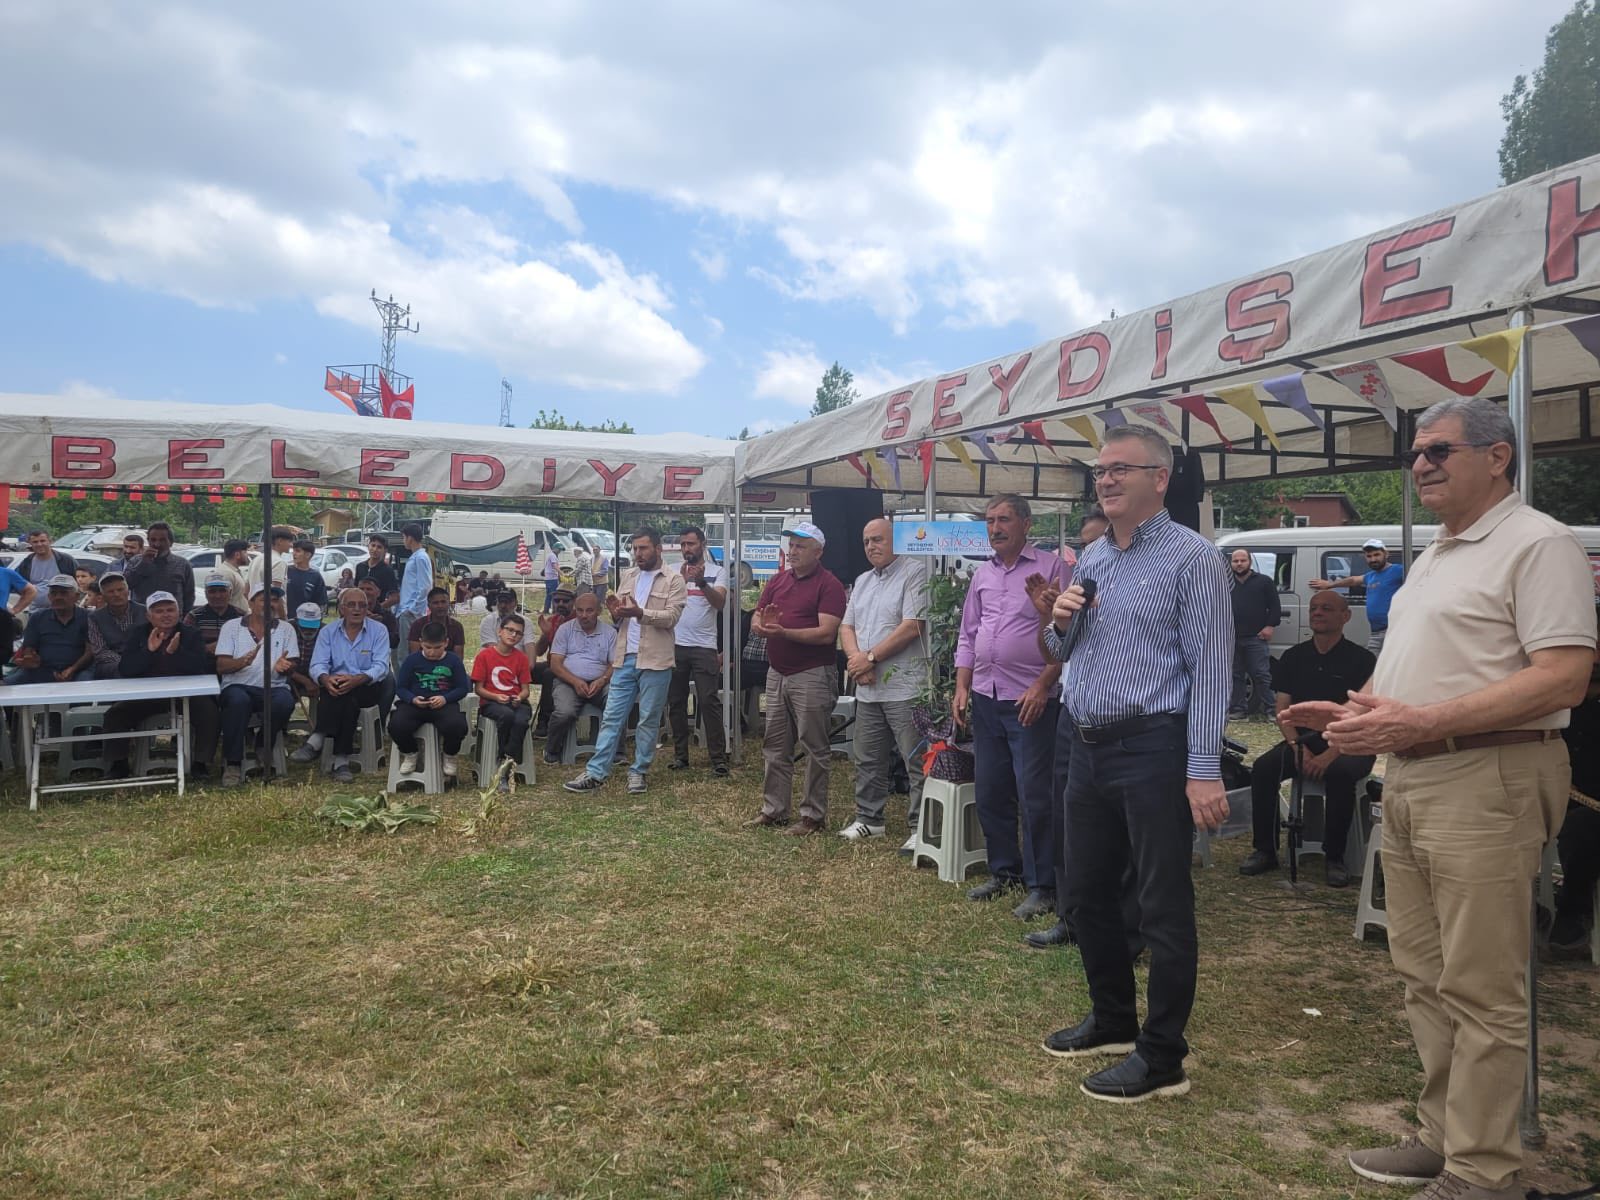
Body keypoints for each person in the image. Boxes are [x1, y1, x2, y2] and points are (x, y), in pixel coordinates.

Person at [1287, 397, 1595, 1198]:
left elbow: (1563, 675)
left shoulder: (1539, 543)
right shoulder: (1433, 556)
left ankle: (1484, 1172)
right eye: (1416, 452)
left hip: (1488, 776)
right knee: (1423, 973)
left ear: (1498, 458)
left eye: (1439, 450)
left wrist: (1421, 720)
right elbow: (1418, 673)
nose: (1421, 464)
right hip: (1416, 775)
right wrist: (1352, 711)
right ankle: (1445, 1138)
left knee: (1483, 986)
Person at [1041, 425, 1231, 1104]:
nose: (1107, 480)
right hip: (1084, 740)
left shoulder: (1193, 559)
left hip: (1153, 744)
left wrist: (1202, 767)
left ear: (1161, 476)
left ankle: (1162, 1056)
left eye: (1121, 468)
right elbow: (1061, 649)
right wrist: (1058, 622)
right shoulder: (1093, 557)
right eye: (1100, 470)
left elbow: (1211, 671)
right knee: (1086, 892)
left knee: (1161, 906)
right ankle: (1114, 1019)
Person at [955, 494, 1065, 919]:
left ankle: (1044, 885)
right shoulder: (981, 573)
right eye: (989, 521)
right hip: (986, 693)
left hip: (1030, 700)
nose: (995, 528)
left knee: (1035, 795)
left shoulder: (1052, 568)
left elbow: (1066, 636)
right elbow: (969, 633)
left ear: (1025, 524)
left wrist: (1042, 685)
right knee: (992, 789)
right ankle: (1005, 872)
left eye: (1003, 519)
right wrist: (962, 685)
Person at [1237, 590, 1376, 888]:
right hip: (1302, 741)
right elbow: (1281, 709)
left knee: (1340, 774)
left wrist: (1330, 754)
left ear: (1345, 616)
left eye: (1326, 608)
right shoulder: (1294, 656)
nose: (1318, 613)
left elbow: (1364, 715)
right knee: (1262, 768)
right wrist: (1297, 748)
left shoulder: (1363, 660)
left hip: (1351, 743)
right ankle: (1265, 849)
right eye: (1314, 608)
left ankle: (1335, 857)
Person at [1027, 506, 1106, 948]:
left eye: (1096, 543)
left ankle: (1114, 923)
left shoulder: (1129, 590)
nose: (1087, 553)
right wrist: (1048, 615)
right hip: (1071, 716)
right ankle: (1069, 915)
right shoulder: (1077, 593)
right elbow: (1054, 654)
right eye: (1082, 546)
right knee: (1065, 816)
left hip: (1120, 724)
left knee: (1109, 830)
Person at [563, 528, 686, 795]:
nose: (638, 554)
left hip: (656, 659)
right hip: (625, 657)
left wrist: (640, 612)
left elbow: (671, 618)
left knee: (647, 719)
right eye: (635, 549)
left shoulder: (674, 580)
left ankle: (638, 771)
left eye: (643, 548)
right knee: (612, 717)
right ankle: (596, 772)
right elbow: (621, 619)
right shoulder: (628, 575)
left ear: (658, 548)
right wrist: (617, 612)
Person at [743, 521, 846, 834]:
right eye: (791, 545)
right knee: (775, 744)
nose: (793, 551)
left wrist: (783, 632)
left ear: (819, 551)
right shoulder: (777, 581)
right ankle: (774, 810)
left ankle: (813, 817)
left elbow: (827, 633)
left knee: (814, 746)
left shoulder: (829, 585)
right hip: (778, 672)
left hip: (812, 674)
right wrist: (760, 625)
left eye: (801, 546)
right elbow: (758, 614)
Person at [839, 517, 929, 843]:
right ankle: (869, 819)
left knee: (915, 759)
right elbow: (846, 627)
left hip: (905, 686)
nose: (871, 547)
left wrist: (871, 657)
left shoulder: (915, 572)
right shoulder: (862, 580)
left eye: (878, 539)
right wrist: (857, 661)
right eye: (866, 542)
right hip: (868, 686)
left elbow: (912, 626)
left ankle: (921, 827)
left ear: (896, 540)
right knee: (867, 757)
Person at [102, 591, 219, 780]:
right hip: (147, 695)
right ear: (149, 616)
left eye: (170, 610)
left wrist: (175, 652)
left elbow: (199, 667)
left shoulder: (190, 634)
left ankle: (200, 764)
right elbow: (126, 669)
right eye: (159, 611)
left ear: (179, 613)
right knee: (116, 713)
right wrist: (148, 651)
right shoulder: (138, 633)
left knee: (209, 711)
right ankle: (118, 764)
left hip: (185, 695)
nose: (166, 615)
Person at [295, 588, 392, 784]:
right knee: (345, 698)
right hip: (336, 686)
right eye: (351, 605)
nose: (357, 609)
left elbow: (381, 666)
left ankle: (318, 737)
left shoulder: (379, 631)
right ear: (341, 609)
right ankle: (341, 761)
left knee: (348, 695)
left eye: (362, 605)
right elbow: (318, 664)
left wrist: (358, 679)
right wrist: (324, 678)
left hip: (367, 685)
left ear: (367, 608)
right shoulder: (328, 632)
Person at [215, 583, 299, 787]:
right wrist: (242, 662)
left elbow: (293, 664)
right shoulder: (232, 627)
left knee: (285, 701)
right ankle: (233, 763)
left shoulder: (286, 629)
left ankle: (263, 744)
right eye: (264, 599)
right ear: (251, 602)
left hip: (273, 687)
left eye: (275, 599)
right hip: (238, 685)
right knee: (237, 701)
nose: (271, 604)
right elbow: (221, 665)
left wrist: (285, 667)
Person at [667, 526, 729, 776]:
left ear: (702, 544)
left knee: (708, 701)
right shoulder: (672, 572)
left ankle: (719, 758)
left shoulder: (718, 572)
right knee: (676, 702)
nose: (686, 549)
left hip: (704, 646)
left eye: (691, 544)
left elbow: (720, 603)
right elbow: (664, 603)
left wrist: (702, 583)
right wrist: (682, 582)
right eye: (683, 545)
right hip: (675, 644)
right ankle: (681, 756)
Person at [389, 620, 471, 781]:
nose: (432, 653)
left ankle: (449, 754)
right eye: (428, 648)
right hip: (416, 704)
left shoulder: (453, 661)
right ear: (421, 643)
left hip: (443, 704)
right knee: (396, 725)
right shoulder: (412, 660)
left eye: (437, 648)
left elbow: (462, 688)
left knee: (458, 726)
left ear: (446, 643)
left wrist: (445, 698)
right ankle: (410, 753)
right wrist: (412, 699)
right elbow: (401, 687)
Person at [544, 592, 617, 764]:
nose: (584, 615)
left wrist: (602, 680)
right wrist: (575, 681)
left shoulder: (609, 633)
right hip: (568, 681)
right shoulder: (565, 630)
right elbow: (555, 664)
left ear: (599, 611)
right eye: (580, 611)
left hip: (600, 682)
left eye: (589, 611)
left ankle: (616, 751)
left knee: (615, 705)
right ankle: (552, 749)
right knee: (564, 712)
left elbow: (615, 664)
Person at [1311, 537, 1405, 656]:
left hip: (1393, 630)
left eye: (1377, 555)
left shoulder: (1398, 570)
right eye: (1369, 556)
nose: (1373, 559)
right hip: (1376, 631)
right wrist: (1329, 585)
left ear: (1386, 554)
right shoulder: (1371, 576)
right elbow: (1353, 580)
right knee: (1372, 665)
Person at [473, 613, 534, 780]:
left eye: (518, 633)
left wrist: (519, 698)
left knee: (521, 720)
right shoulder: (484, 656)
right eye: (510, 630)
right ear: (500, 631)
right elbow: (478, 689)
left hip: (516, 701)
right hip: (491, 702)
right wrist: (495, 697)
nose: (513, 635)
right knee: (506, 716)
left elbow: (525, 690)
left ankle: (506, 761)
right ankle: (503, 761)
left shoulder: (521, 658)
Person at [5, 575, 92, 684]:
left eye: (64, 593)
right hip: (43, 670)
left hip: (79, 670)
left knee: (86, 682)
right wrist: (29, 658)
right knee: (6, 685)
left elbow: (90, 651)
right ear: (49, 597)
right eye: (54, 593)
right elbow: (29, 648)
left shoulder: (88, 617)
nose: (58, 597)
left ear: (76, 596)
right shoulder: (38, 617)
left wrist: (72, 669)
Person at [1226, 548, 1280, 719]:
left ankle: (1272, 710)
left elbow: (1275, 607)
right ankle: (1238, 709)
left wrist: (1270, 626)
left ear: (1249, 562)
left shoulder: (1264, 582)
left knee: (1261, 674)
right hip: (1231, 638)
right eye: (1236, 561)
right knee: (1235, 675)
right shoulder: (1225, 583)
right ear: (1231, 563)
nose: (1239, 564)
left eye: (1243, 560)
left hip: (1256, 637)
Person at [529, 587, 575, 736]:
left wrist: (554, 634)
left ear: (573, 602)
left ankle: (545, 722)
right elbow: (540, 650)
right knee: (522, 669)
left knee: (549, 675)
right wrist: (545, 634)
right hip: (551, 665)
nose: (560, 604)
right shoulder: (553, 620)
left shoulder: (578, 620)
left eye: (565, 601)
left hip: (570, 669)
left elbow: (569, 652)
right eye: (557, 600)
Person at [86, 571, 147, 677]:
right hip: (111, 665)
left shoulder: (146, 611)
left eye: (120, 590)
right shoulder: (95, 617)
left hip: (142, 659)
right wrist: (125, 663)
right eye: (110, 591)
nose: (116, 594)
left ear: (128, 592)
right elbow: (100, 651)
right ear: (103, 596)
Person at [126, 521, 195, 611]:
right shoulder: (135, 561)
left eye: (162, 540)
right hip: (141, 619)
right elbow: (126, 586)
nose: (157, 544)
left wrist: (184, 619)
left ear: (170, 542)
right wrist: (143, 563)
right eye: (153, 540)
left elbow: (189, 596)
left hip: (172, 620)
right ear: (148, 541)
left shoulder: (183, 564)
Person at [396, 523, 433, 668]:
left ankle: (405, 686)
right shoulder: (416, 557)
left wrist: (412, 609)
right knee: (400, 651)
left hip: (411, 611)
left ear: (410, 538)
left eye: (404, 537)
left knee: (405, 653)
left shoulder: (421, 557)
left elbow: (425, 586)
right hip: (405, 609)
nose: (403, 540)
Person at [185, 574, 246, 656]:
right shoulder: (194, 616)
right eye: (212, 591)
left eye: (222, 590)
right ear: (206, 594)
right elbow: (185, 645)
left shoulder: (241, 616)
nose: (218, 596)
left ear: (230, 592)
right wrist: (206, 648)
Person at [20, 529, 76, 613]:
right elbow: (21, 586)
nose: (39, 544)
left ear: (50, 541)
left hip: (62, 611)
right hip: (35, 612)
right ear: (30, 544)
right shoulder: (26, 563)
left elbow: (79, 581)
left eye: (43, 541)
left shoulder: (65, 560)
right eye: (35, 542)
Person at [406, 586, 464, 656]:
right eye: (435, 603)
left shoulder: (457, 627)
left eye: (443, 602)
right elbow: (414, 656)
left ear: (449, 603)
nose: (440, 606)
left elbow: (458, 658)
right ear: (428, 605)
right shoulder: (417, 625)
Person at [354, 534, 399, 612]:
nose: (375, 549)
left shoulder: (387, 571)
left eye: (379, 547)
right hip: (359, 610)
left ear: (385, 550)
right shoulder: (360, 567)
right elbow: (355, 590)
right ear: (368, 546)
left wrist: (378, 608)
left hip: (377, 614)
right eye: (373, 545)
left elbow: (395, 598)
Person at [284, 539, 329, 615]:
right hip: (285, 618)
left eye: (298, 551)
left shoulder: (315, 576)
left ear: (308, 555)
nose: (294, 554)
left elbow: (321, 602)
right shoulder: (286, 571)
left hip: (305, 620)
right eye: (293, 551)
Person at [246, 527, 293, 595]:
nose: (291, 545)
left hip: (253, 604)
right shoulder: (279, 562)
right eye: (289, 541)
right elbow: (275, 594)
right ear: (280, 541)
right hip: (270, 605)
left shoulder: (256, 559)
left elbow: (245, 591)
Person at [217, 539, 251, 611]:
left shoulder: (233, 571)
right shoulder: (226, 573)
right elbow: (222, 602)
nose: (247, 555)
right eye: (245, 552)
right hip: (233, 620)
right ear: (237, 555)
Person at [542, 545, 561, 612]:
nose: (560, 551)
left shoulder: (550, 555)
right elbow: (554, 565)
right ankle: (554, 610)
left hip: (549, 578)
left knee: (549, 595)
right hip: (552, 578)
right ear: (555, 548)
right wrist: (562, 573)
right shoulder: (553, 555)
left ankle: (546, 609)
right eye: (559, 549)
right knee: (553, 594)